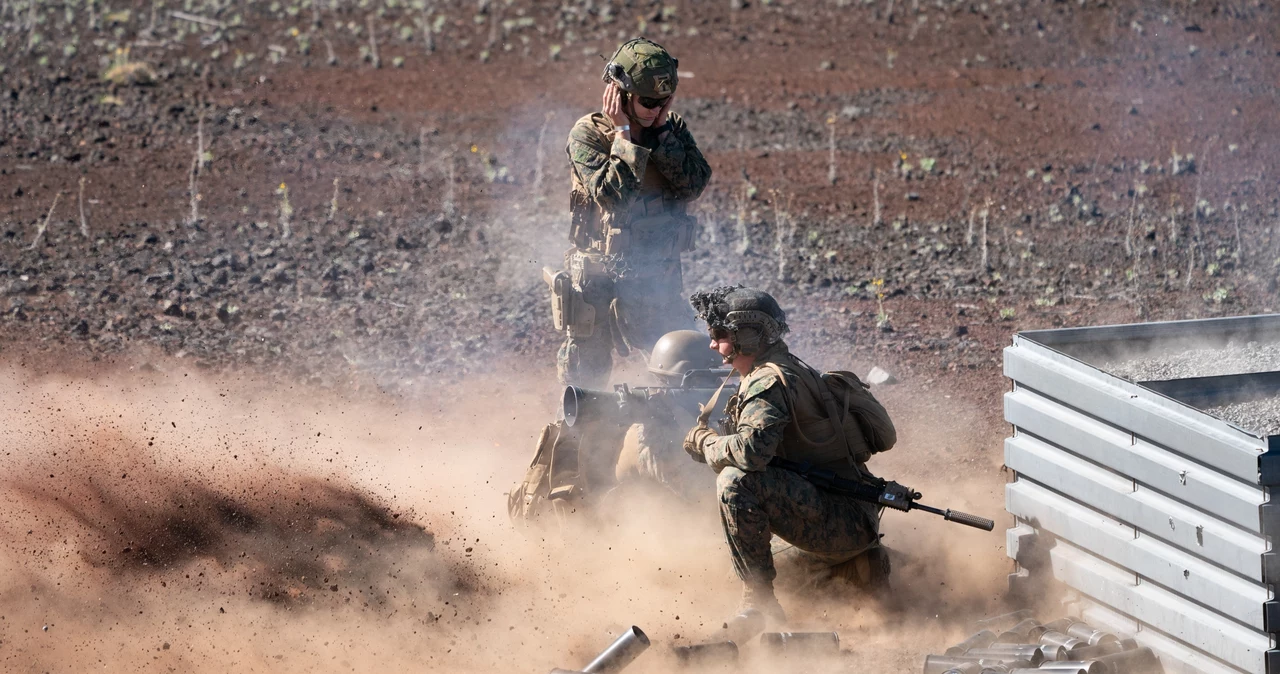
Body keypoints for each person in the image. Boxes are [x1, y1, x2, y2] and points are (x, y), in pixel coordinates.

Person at [681, 286, 886, 624]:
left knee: (735, 483)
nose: (712, 344)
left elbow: (751, 453)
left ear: (748, 336)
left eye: (719, 334)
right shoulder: (788, 368)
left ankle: (760, 605)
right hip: (845, 515)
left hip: (839, 519)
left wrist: (705, 443)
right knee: (750, 561)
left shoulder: (768, 382)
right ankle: (856, 568)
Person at [555, 37, 712, 388]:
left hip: (656, 278)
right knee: (586, 380)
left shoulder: (669, 128)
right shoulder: (588, 135)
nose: (656, 109)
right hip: (597, 281)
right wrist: (625, 136)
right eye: (647, 101)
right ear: (621, 93)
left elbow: (693, 184)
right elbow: (613, 197)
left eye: (662, 101)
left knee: (680, 369)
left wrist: (660, 134)